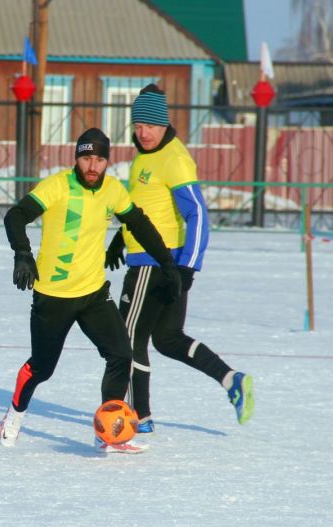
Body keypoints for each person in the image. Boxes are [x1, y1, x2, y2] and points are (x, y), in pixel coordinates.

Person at [0, 128, 181, 454]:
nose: (92, 166)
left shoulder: (113, 190)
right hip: (53, 296)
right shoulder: (57, 185)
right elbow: (15, 216)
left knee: (121, 355)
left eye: (99, 159)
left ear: (107, 161)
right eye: (86, 158)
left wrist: (167, 264)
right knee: (42, 368)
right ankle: (15, 414)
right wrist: (22, 253)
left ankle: (108, 432)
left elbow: (138, 224)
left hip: (93, 293)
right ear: (77, 159)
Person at [105, 84, 254, 433]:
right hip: (153, 260)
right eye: (138, 125)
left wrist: (188, 266)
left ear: (164, 124)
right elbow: (145, 208)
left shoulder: (174, 159)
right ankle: (230, 379)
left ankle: (138, 417)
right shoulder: (145, 156)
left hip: (154, 264)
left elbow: (197, 214)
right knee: (168, 339)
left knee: (127, 340)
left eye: (150, 126)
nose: (143, 133)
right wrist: (120, 237)